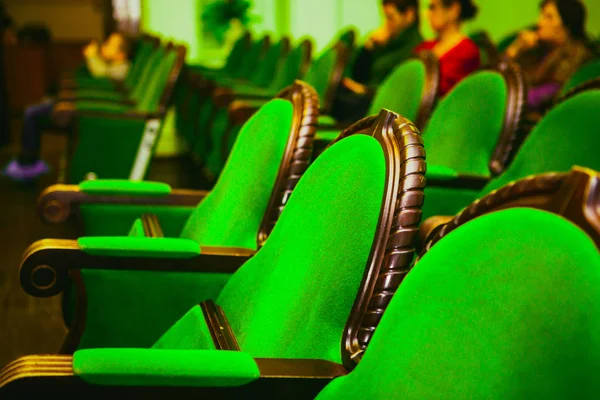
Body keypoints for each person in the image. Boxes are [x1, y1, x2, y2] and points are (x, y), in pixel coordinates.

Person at [3, 32, 131, 181]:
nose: (104, 46)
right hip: (80, 104)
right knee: (35, 109)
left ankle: (27, 165)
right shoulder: (111, 65)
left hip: (88, 112)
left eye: (110, 44)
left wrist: (91, 56)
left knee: (32, 112)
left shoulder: (122, 68)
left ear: (121, 54)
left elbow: (100, 75)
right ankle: (29, 162)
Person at [505, 0, 593, 111]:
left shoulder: (576, 53)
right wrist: (516, 48)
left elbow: (549, 93)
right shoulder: (540, 47)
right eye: (542, 15)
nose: (539, 22)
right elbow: (500, 77)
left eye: (549, 17)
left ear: (567, 24)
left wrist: (509, 98)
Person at [414, 0, 480, 97]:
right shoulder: (425, 46)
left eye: (433, 7)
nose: (427, 14)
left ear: (453, 10)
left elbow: (438, 89)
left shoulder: (467, 51)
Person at [352, 0, 423, 87]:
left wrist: (364, 91)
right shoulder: (389, 42)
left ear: (409, 15)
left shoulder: (415, 48)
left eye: (390, 17)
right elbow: (358, 74)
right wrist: (369, 47)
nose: (387, 23)